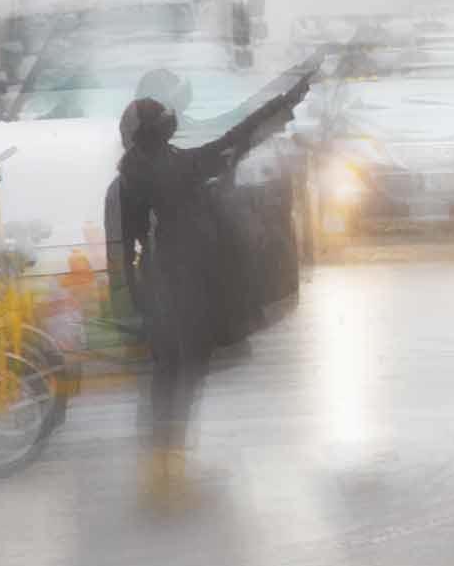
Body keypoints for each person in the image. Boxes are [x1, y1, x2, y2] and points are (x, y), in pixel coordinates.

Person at [111, 73, 307, 512]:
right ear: (158, 132)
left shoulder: (134, 173)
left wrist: (138, 296)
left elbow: (129, 243)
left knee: (167, 379)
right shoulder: (175, 168)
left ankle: (159, 470)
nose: (172, 121)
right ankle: (169, 474)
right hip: (189, 286)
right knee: (183, 379)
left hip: (162, 287)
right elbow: (236, 138)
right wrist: (282, 106)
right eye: (164, 119)